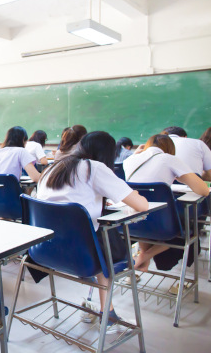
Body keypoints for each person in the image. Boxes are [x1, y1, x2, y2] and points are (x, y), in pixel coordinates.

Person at [37, 131, 148, 331]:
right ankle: (108, 313)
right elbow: (142, 206)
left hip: (44, 251)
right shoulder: (94, 168)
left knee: (100, 236)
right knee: (109, 240)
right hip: (82, 255)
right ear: (109, 154)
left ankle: (107, 310)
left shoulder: (53, 168)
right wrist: (135, 195)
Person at [123, 134, 209, 282]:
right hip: (163, 228)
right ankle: (145, 255)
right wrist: (181, 176)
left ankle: (143, 255)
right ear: (170, 149)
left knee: (146, 215)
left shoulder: (129, 161)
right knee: (185, 225)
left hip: (132, 224)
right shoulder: (169, 159)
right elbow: (203, 190)